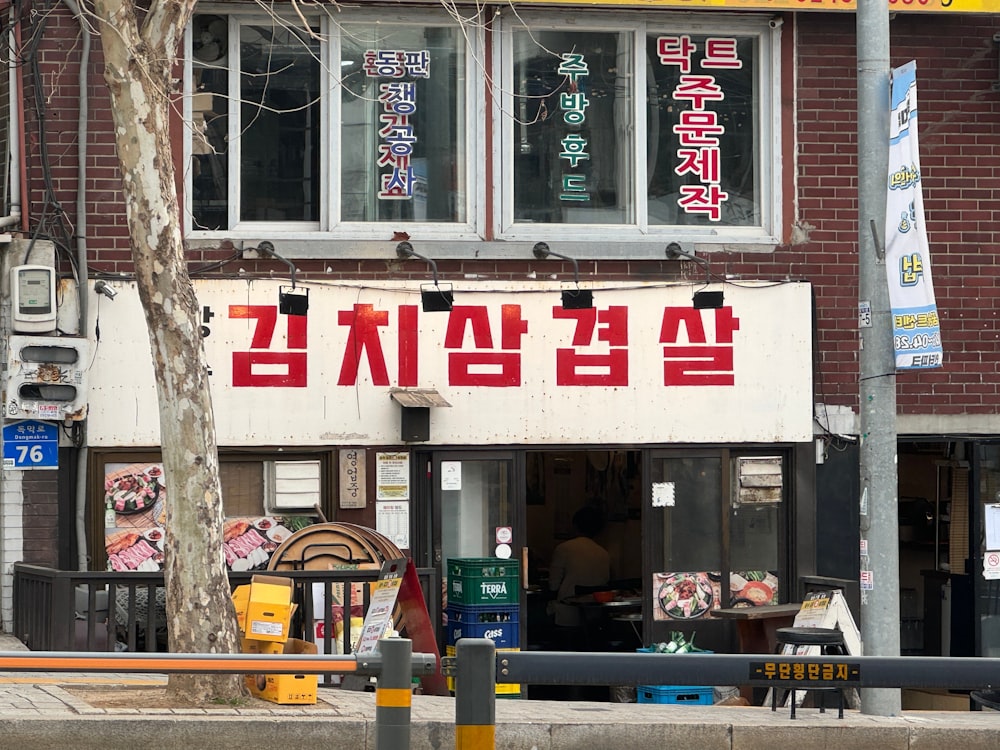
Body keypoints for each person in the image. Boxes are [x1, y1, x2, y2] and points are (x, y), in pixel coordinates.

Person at [548, 506, 611, 631]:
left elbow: (553, 585)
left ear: (575, 525)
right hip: (594, 615)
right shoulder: (604, 553)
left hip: (566, 614)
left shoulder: (564, 548)